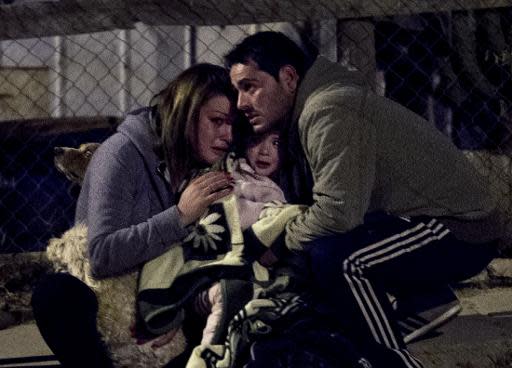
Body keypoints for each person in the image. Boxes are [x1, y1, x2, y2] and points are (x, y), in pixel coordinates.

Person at [225, 31, 503, 368]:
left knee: (339, 259)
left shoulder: (326, 109)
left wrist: (278, 244)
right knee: (325, 254)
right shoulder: (316, 107)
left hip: (460, 230)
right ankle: (427, 302)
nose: (241, 104)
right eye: (238, 91)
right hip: (419, 220)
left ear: (288, 77)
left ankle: (392, 362)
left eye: (250, 87)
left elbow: (337, 212)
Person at [31, 63, 239, 368]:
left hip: (168, 316)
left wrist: (173, 309)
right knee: (55, 295)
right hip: (114, 313)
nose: (227, 134)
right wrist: (179, 216)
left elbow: (214, 257)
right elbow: (101, 255)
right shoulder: (120, 156)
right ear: (184, 115)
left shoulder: (211, 167)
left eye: (233, 124)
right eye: (217, 121)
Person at [198, 129, 284, 345]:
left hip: (255, 272)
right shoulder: (236, 176)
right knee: (231, 297)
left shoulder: (279, 184)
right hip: (217, 272)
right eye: (256, 141)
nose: (264, 151)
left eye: (275, 143)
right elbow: (233, 213)